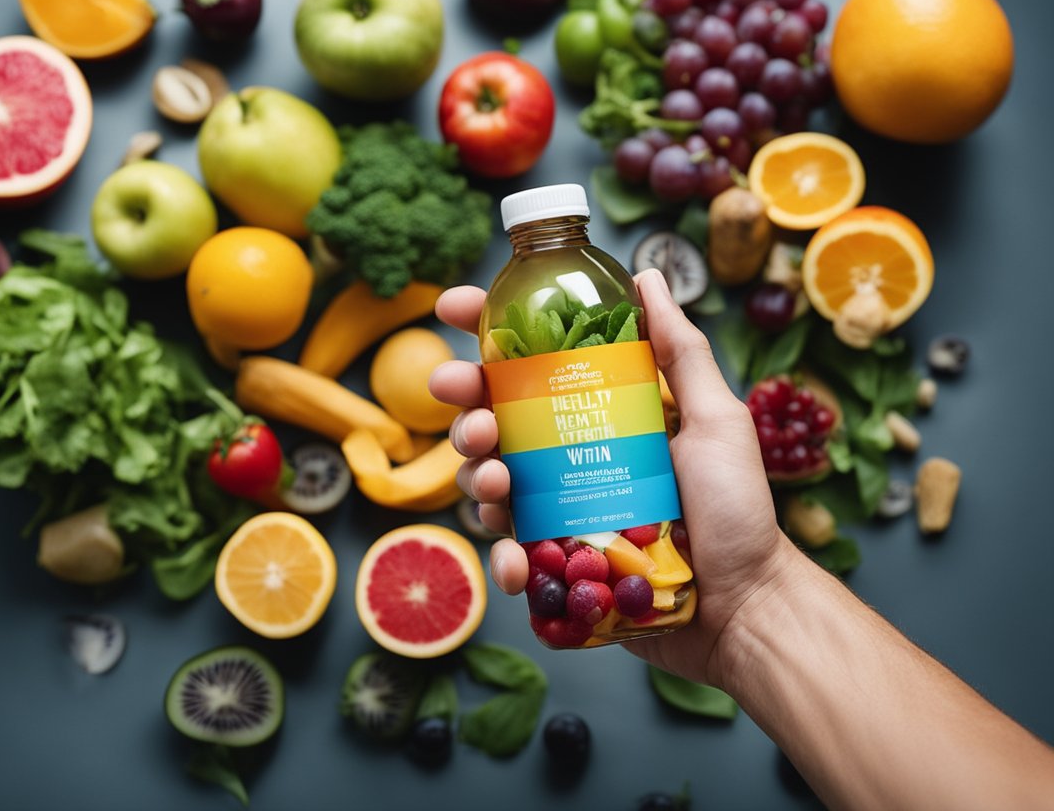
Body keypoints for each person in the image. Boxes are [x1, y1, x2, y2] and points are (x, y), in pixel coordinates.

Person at [428, 269, 1054, 810]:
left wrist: (752, 595)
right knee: (500, 463)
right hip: (641, 578)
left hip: (677, 578)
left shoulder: (594, 278)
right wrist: (756, 609)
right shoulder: (517, 294)